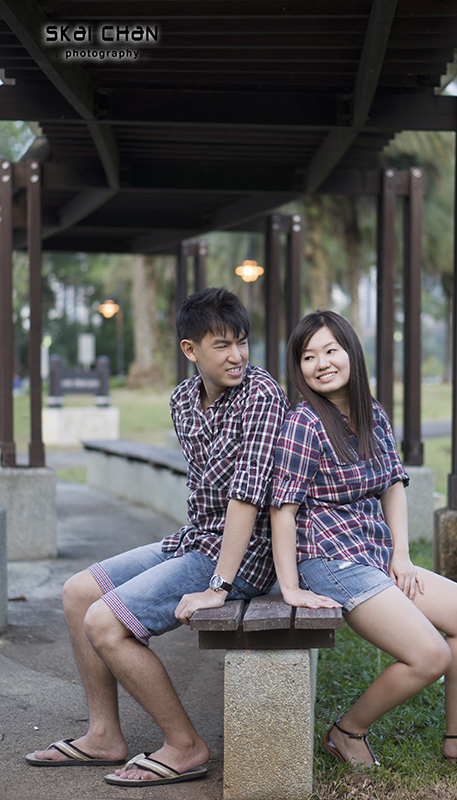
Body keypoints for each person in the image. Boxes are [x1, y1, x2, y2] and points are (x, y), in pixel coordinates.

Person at [26, 287, 289, 787]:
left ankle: (185, 745)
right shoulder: (183, 401)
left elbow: (247, 499)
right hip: (196, 539)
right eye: (221, 345)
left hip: (244, 554)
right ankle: (104, 734)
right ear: (190, 350)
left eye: (242, 342)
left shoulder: (261, 394)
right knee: (79, 593)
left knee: (107, 623)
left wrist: (218, 585)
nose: (237, 356)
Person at [270, 310, 457, 769]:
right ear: (298, 367)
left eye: (330, 350)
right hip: (331, 561)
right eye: (308, 356)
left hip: (373, 555)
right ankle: (348, 732)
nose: (321, 363)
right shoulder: (304, 423)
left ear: (351, 353)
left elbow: (392, 485)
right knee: (429, 655)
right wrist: (290, 586)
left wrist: (400, 555)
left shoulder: (372, 413)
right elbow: (282, 508)